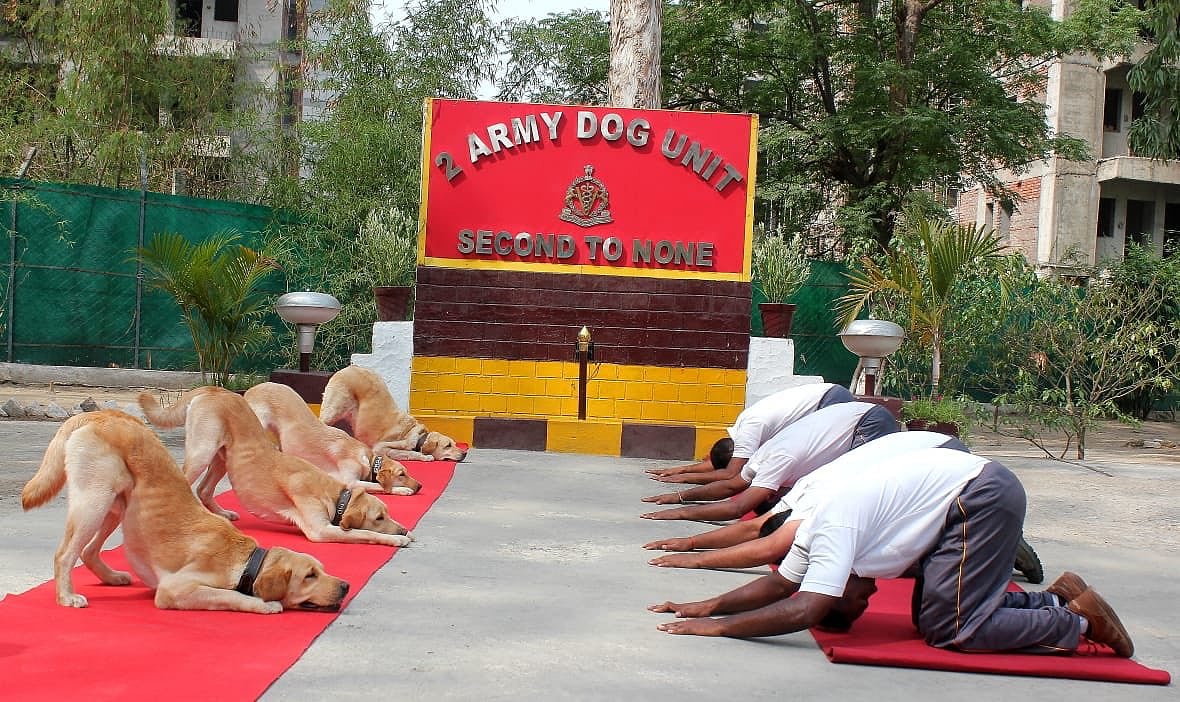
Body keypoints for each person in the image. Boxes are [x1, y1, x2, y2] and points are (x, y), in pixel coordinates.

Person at [648, 447, 1135, 659]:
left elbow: (805, 605)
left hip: (979, 495)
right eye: (862, 608)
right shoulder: (818, 533)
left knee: (955, 630)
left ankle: (1081, 624)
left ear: (835, 584)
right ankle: (1055, 601)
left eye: (852, 606)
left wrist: (718, 626)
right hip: (971, 496)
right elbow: (779, 583)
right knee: (933, 617)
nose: (868, 600)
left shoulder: (833, 530)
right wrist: (707, 603)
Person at [643, 430, 968, 570]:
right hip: (925, 448)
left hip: (941, 456)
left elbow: (748, 522)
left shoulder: (817, 505)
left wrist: (693, 550)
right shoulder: (798, 495)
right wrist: (688, 539)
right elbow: (754, 529)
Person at [640, 401, 898, 522]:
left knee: (852, 491)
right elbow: (731, 486)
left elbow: (737, 507)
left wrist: (682, 511)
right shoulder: (762, 459)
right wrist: (680, 496)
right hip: (858, 417)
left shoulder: (774, 460)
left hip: (864, 420)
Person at [646, 382, 855, 485]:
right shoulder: (740, 432)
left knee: (819, 459)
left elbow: (730, 473)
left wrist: (685, 480)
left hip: (828, 401)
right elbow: (723, 464)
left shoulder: (749, 432)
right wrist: (681, 470)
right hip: (827, 395)